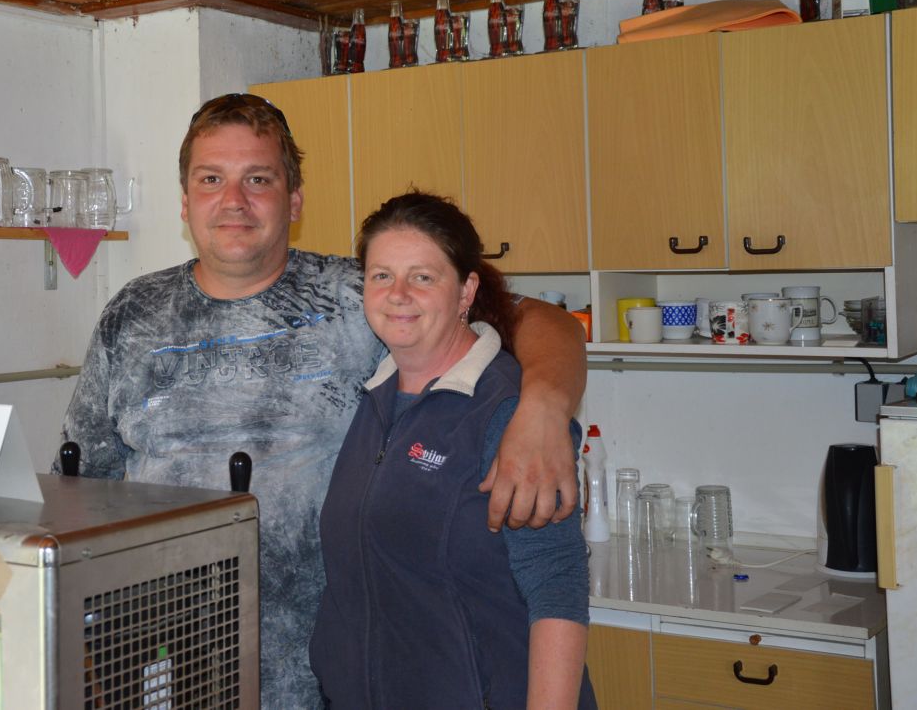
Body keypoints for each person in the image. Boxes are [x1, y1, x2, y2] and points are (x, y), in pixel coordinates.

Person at [59, 93, 587, 707]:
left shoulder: (364, 296)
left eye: (259, 179)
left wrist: (544, 407)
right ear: (185, 201)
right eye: (211, 179)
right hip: (169, 671)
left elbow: (545, 321)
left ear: (295, 201)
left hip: (322, 683)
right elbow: (80, 492)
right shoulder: (132, 314)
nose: (234, 200)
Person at [310, 191, 594, 709]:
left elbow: (557, 581)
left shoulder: (509, 412)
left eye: (423, 277)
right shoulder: (370, 395)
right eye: (381, 275)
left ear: (466, 291)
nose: (398, 294)